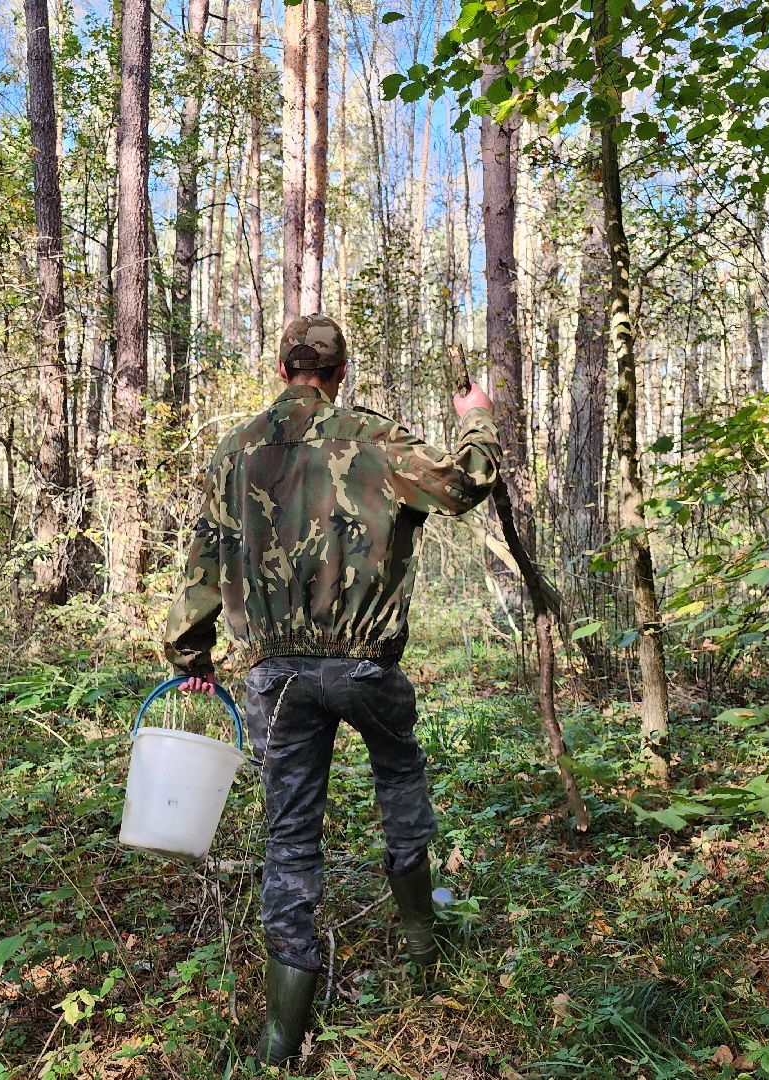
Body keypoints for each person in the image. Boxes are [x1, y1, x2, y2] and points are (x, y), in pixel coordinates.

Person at [163, 314, 500, 1067]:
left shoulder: (233, 451)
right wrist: (476, 419)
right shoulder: (376, 440)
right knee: (399, 777)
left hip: (275, 675)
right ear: (339, 371)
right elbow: (465, 484)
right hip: (365, 666)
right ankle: (421, 947)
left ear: (283, 368)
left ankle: (280, 1039)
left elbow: (203, 563)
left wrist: (193, 652)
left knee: (290, 834)